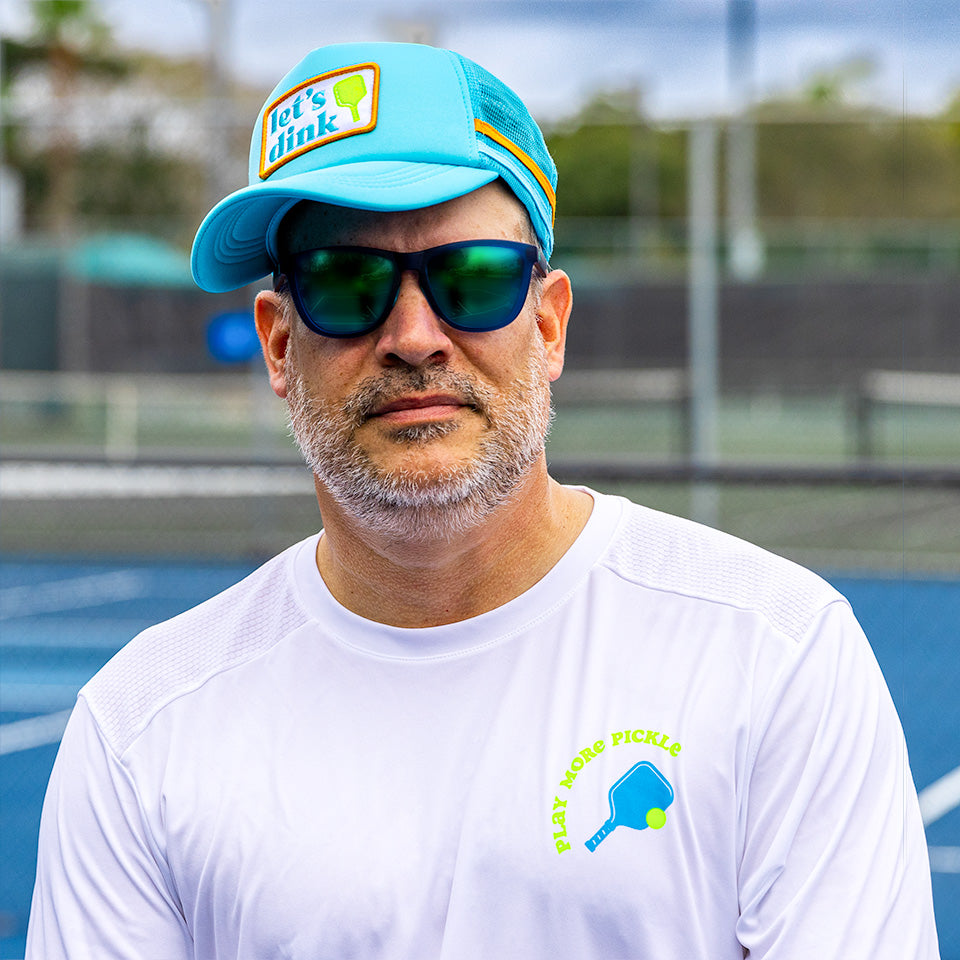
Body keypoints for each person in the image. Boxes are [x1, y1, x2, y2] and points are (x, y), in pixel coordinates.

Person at [26, 41, 939, 960]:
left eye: (474, 278)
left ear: (547, 325)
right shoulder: (138, 732)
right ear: (276, 345)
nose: (416, 337)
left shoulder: (774, 657)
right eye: (346, 283)